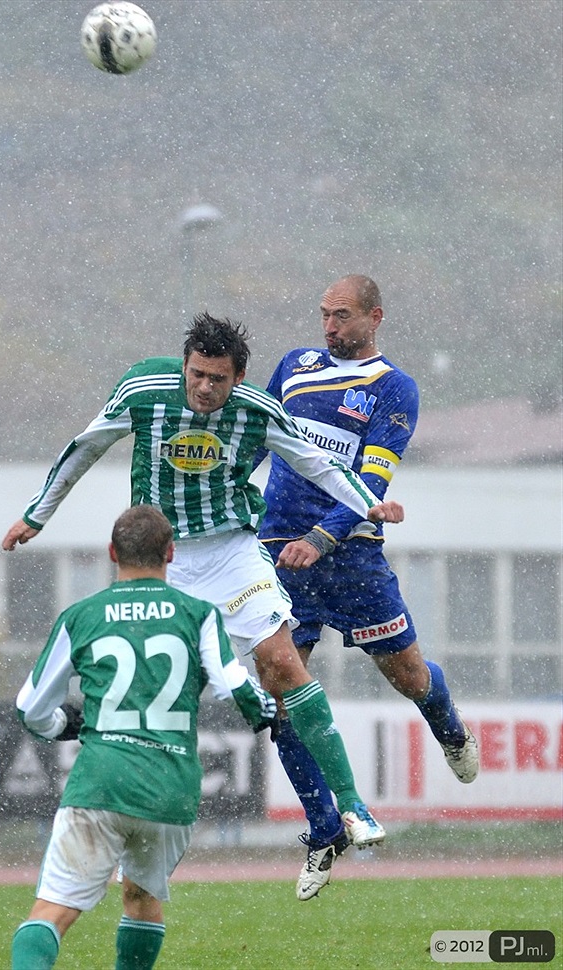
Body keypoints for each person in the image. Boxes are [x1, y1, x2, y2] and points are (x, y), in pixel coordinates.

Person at [3, 312, 405, 899]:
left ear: (240, 378)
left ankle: (351, 807)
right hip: (165, 561)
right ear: (185, 365)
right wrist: (38, 513)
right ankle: (130, 833)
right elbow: (85, 447)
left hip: (234, 553)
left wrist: (368, 502)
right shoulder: (145, 388)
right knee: (153, 691)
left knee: (284, 665)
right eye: (197, 375)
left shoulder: (258, 411)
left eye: (218, 379)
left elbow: (318, 463)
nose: (205, 389)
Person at [257, 275, 480, 898]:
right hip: (281, 557)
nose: (329, 326)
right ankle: (324, 830)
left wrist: (323, 539)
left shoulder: (394, 389)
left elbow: (370, 483)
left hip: (351, 559)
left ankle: (448, 725)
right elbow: (256, 443)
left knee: (407, 678)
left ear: (374, 317)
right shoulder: (294, 368)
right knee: (281, 697)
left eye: (343, 315)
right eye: (323, 314)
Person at [10, 505, 277, 970]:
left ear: (112, 552)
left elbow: (29, 709)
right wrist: (269, 710)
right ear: (171, 553)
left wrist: (61, 726)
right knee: (141, 898)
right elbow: (235, 684)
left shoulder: (82, 616)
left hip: (102, 782)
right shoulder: (198, 614)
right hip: (170, 787)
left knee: (52, 910)